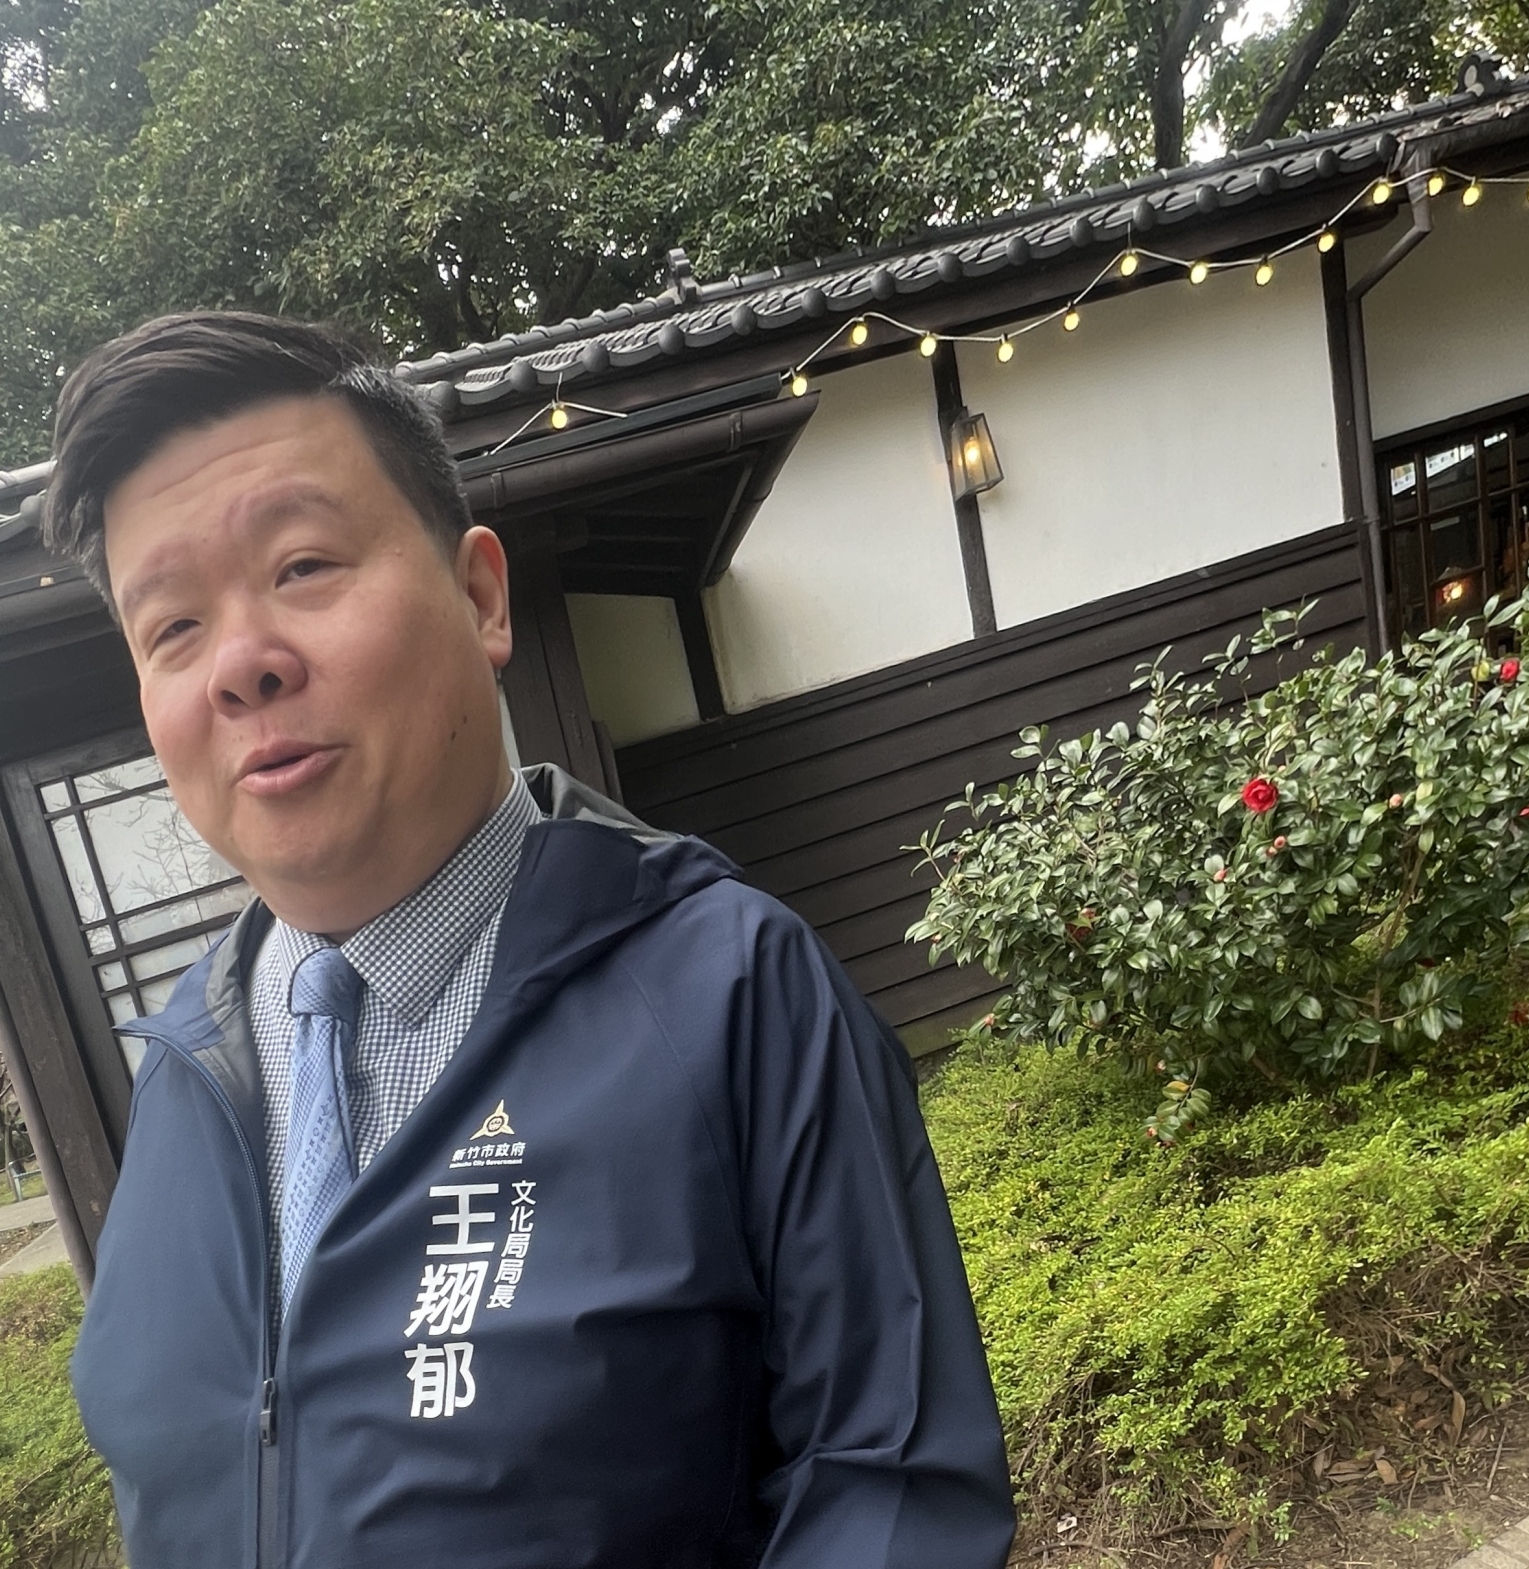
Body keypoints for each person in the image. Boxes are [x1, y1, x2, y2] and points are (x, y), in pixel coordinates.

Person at [53, 312, 1015, 1569]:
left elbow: (889, 1497)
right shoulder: (187, 1071)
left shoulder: (723, 989)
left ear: (479, 596)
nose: (240, 664)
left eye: (302, 565)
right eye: (172, 628)